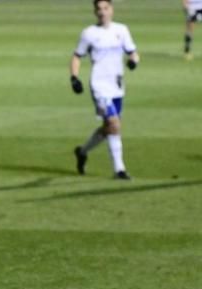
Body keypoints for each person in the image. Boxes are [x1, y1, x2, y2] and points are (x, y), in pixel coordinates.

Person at [70, 0, 139, 180]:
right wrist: (74, 77)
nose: (102, 12)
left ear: (111, 10)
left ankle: (82, 152)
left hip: (117, 86)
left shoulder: (121, 30)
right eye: (98, 9)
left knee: (109, 127)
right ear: (95, 12)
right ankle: (119, 169)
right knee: (115, 124)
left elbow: (133, 51)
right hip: (99, 86)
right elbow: (77, 56)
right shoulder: (89, 33)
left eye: (105, 8)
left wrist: (133, 61)